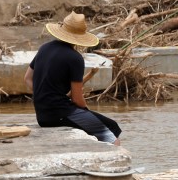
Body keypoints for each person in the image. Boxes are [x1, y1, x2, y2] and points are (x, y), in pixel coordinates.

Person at [25, 12, 121, 145]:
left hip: (42, 115)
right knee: (111, 128)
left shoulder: (44, 48)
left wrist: (43, 96)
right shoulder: (75, 58)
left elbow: (28, 78)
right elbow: (77, 100)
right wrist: (86, 110)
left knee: (98, 124)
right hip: (60, 113)